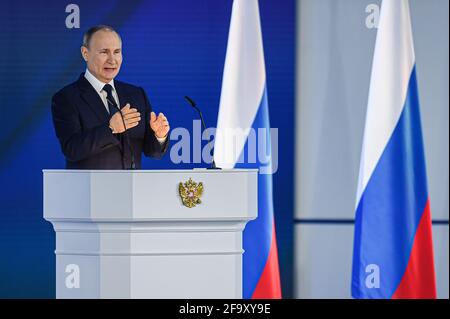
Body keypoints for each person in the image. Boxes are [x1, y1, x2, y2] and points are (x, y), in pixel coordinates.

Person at [51, 25, 169, 169]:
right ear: (85, 53)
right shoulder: (66, 98)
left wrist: (159, 136)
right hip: (90, 190)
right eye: (104, 52)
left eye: (117, 52)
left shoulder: (136, 95)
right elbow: (72, 150)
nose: (112, 60)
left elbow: (153, 152)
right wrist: (111, 128)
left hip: (132, 189)